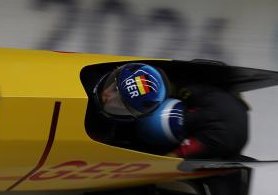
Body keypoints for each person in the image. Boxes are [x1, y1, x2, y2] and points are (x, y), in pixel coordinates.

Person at [92, 62, 249, 160]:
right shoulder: (201, 96)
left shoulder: (211, 138)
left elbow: (179, 154)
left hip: (229, 140)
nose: (106, 95)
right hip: (226, 104)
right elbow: (175, 155)